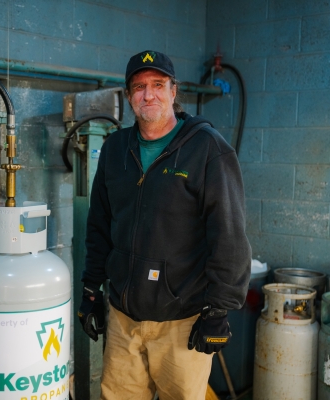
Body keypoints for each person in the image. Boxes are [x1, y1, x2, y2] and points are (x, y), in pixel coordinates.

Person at [77, 50, 252, 400]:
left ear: (174, 91)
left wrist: (219, 310)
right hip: (124, 319)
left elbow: (229, 237)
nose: (148, 94)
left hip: (182, 319)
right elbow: (99, 225)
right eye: (139, 87)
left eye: (158, 85)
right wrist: (91, 289)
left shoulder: (207, 150)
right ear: (129, 97)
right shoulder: (115, 149)